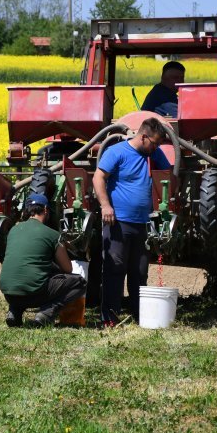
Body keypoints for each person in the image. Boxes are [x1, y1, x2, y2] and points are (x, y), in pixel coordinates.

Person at [92, 118, 172, 326]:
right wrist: (105, 206)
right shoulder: (117, 152)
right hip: (118, 221)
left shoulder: (154, 154)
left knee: (139, 272)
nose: (156, 147)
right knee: (114, 268)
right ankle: (109, 318)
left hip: (143, 223)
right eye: (153, 143)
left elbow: (168, 176)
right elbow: (98, 178)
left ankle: (140, 316)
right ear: (143, 136)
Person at [0, 193, 86, 327]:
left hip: (8, 293)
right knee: (79, 283)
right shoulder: (52, 235)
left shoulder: (13, 231)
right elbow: (67, 269)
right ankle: (46, 314)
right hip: (34, 293)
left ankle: (14, 311)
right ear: (45, 210)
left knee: (24, 278)